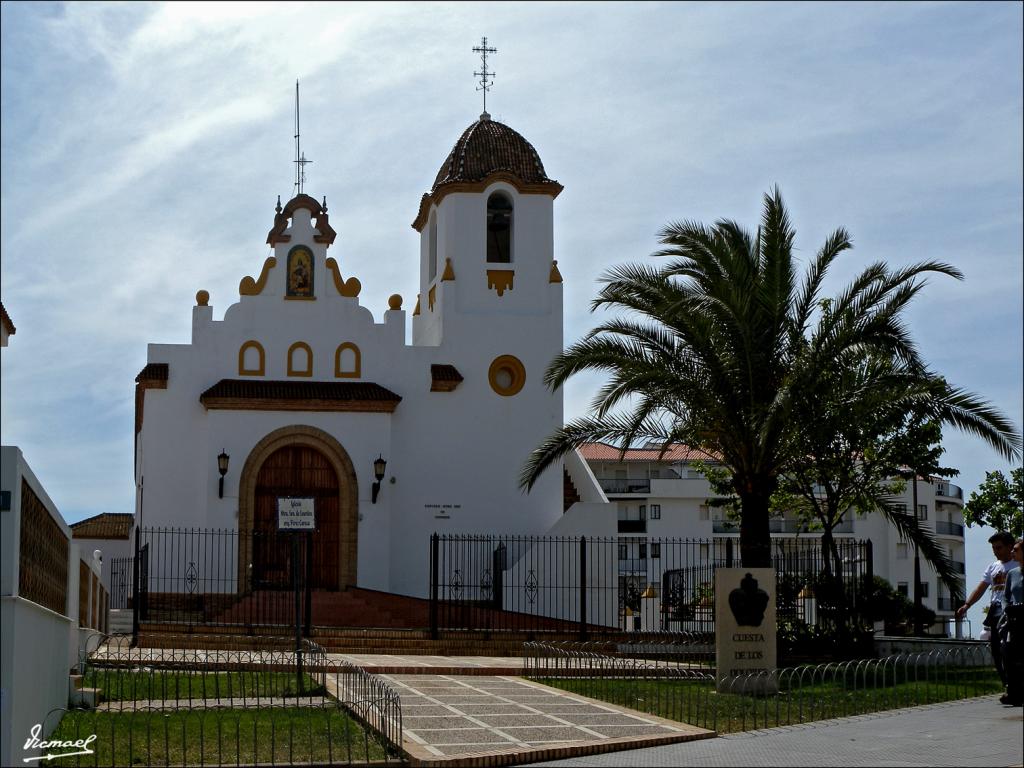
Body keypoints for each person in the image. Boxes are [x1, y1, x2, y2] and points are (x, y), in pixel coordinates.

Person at [955, 531, 1018, 691]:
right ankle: (1006, 683)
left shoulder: (1018, 565)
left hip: (1013, 610)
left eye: (999, 547)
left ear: (1010, 547)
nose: (995, 551)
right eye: (993, 548)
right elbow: (981, 588)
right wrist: (967, 605)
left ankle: (1015, 684)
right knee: (996, 650)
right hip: (996, 610)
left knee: (1010, 648)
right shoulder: (993, 567)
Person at [998, 538, 1023, 706]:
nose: (1012, 552)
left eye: (1016, 549)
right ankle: (1013, 691)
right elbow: (1005, 596)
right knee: (1010, 656)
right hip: (1015, 620)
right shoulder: (1012, 573)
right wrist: (1006, 607)